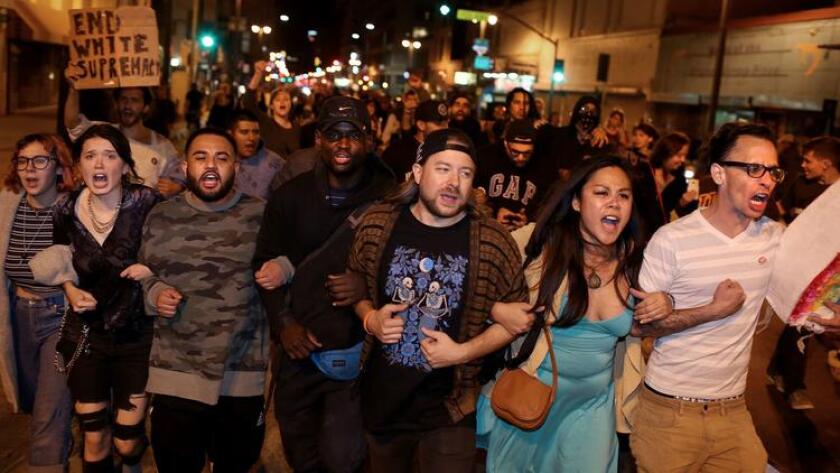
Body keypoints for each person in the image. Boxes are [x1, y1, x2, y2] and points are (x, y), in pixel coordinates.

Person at [347, 128, 528, 472]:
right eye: (443, 168)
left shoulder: (492, 241)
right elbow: (356, 280)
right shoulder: (378, 223)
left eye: (465, 173)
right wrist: (370, 318)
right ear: (418, 173)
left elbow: (519, 320)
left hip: (451, 407)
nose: (453, 182)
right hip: (383, 404)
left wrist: (462, 352)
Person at [476, 155, 671, 472]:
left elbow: (649, 323)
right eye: (601, 193)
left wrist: (667, 302)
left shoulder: (637, 260)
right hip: (530, 397)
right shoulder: (538, 243)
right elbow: (469, 283)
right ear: (577, 202)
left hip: (592, 408)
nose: (614, 204)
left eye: (623, 195)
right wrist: (497, 310)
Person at [630, 122, 786, 472]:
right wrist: (713, 310)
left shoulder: (775, 238)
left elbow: (813, 289)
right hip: (670, 412)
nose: (767, 180)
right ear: (718, 172)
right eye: (754, 169)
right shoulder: (672, 240)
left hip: (733, 413)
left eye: (773, 171)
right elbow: (639, 328)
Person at [253, 96, 395, 472]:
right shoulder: (290, 197)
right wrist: (284, 326)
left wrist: (366, 285)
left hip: (356, 352)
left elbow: (404, 268)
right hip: (298, 353)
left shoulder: (389, 199)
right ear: (318, 139)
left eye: (353, 135)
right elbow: (263, 265)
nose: (343, 144)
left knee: (344, 457)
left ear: (369, 139)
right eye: (334, 134)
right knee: (301, 454)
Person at [30, 124, 162, 472]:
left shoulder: (147, 202)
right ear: (78, 167)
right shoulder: (65, 209)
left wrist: (149, 270)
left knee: (126, 439)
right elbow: (59, 260)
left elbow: (173, 255)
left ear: (125, 165)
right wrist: (71, 290)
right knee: (93, 434)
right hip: (87, 335)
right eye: (90, 156)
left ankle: (132, 460)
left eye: (110, 155)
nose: (99, 164)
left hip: (138, 336)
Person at [139, 128, 268, 472]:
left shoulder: (263, 216)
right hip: (175, 373)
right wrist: (153, 293)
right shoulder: (161, 216)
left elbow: (289, 270)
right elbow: (142, 274)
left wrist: (284, 267)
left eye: (221, 158)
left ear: (237, 168)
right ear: (184, 167)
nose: (211, 166)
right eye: (201, 157)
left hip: (241, 376)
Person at [1, 134, 77, 473]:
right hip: (17, 318)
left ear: (59, 167)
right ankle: (60, 443)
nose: (30, 169)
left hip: (61, 317)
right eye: (23, 162)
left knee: (48, 413)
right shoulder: (7, 204)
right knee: (34, 404)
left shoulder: (75, 208)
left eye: (40, 161)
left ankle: (50, 457)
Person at [768, 136, 840, 410]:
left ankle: (778, 370)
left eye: (808, 160)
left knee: (801, 323)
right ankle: (795, 385)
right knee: (799, 320)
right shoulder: (800, 185)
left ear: (826, 163)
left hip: (828, 276)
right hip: (800, 270)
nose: (803, 165)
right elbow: (780, 213)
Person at [63, 65, 184, 197]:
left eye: (134, 100)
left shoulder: (162, 146)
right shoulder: (101, 133)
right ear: (116, 103)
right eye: (123, 99)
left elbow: (182, 173)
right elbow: (73, 123)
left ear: (146, 107)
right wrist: (73, 89)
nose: (127, 105)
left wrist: (176, 187)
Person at [475, 120, 556, 230]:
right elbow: (474, 197)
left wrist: (527, 217)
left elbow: (548, 202)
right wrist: (493, 213)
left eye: (527, 153)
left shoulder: (543, 165)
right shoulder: (484, 157)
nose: (521, 158)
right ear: (505, 144)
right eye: (515, 152)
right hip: (487, 228)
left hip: (525, 232)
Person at [539, 95, 610, 180]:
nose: (588, 114)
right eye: (585, 109)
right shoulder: (560, 135)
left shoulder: (599, 141)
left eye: (593, 111)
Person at [382, 100, 449, 181]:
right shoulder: (397, 152)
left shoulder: (449, 151)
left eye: (446, 123)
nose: (445, 128)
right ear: (421, 125)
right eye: (438, 124)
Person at [245, 61, 301, 157]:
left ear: (291, 104)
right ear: (271, 105)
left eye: (286, 99)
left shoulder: (296, 127)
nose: (282, 102)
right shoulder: (266, 123)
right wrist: (258, 74)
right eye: (278, 100)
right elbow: (248, 102)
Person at [228, 110, 286, 200]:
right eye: (244, 132)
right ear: (231, 134)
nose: (251, 138)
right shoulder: (219, 160)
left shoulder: (276, 164)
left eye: (256, 132)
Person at [650, 132, 697, 218]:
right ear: (665, 153)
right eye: (679, 155)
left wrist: (682, 203)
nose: (683, 160)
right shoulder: (646, 174)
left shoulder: (680, 179)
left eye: (685, 156)